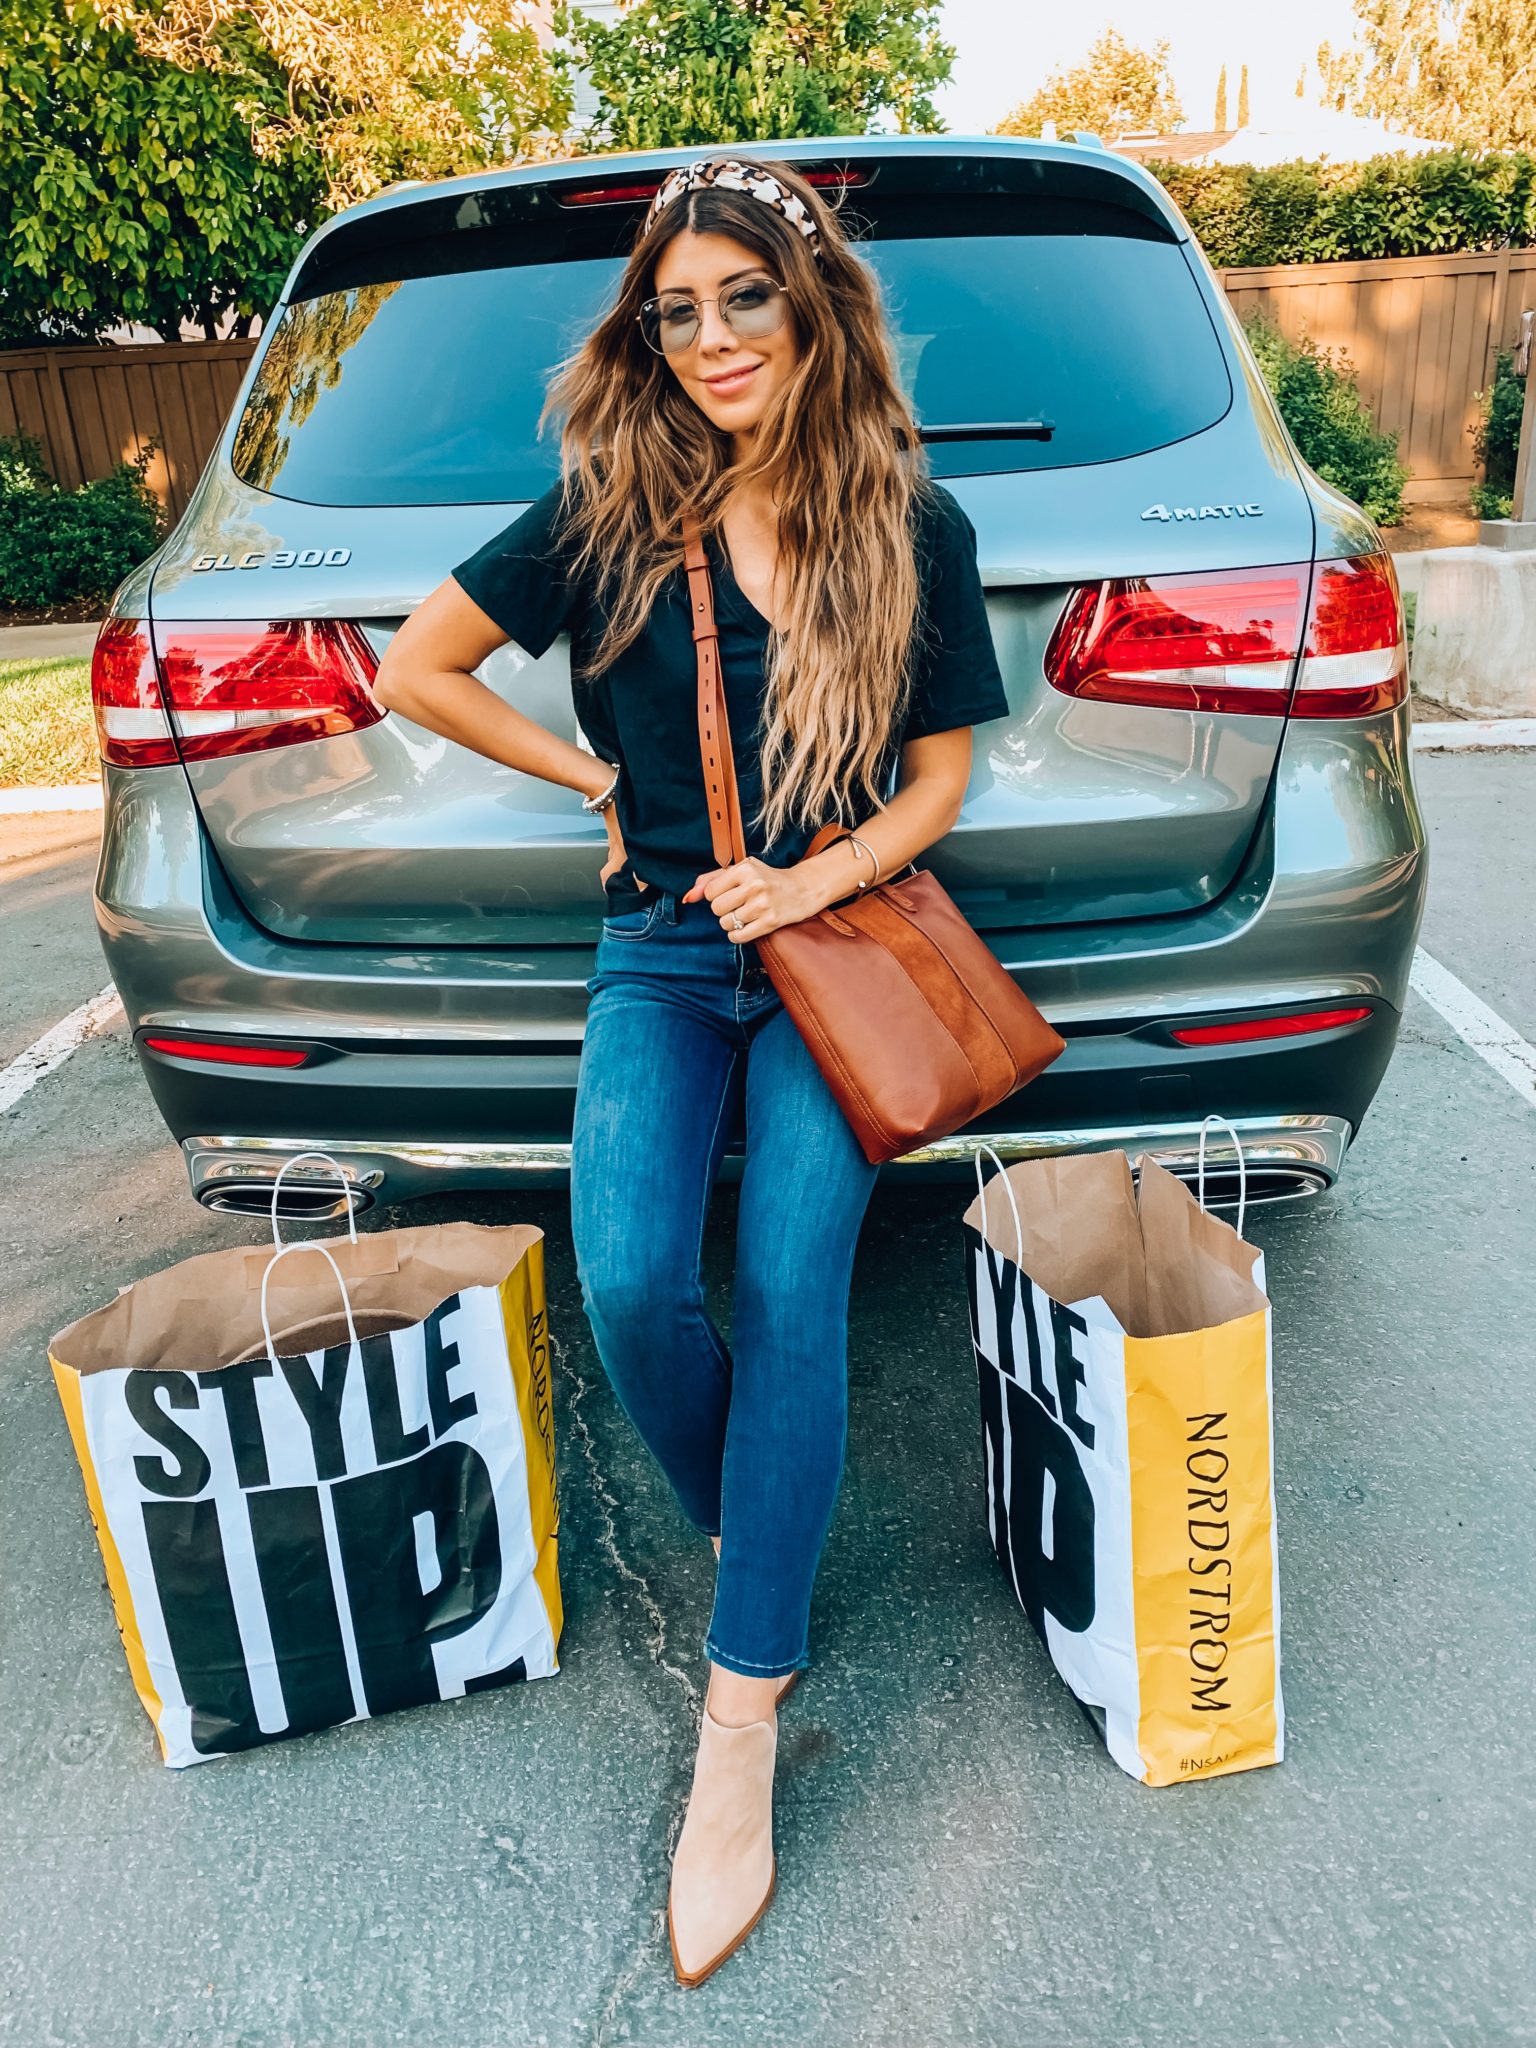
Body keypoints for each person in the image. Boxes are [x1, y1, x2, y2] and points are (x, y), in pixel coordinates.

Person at [372, 154, 1010, 1987]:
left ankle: (743, 1718)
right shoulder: (610, 509)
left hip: (840, 951)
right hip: (660, 947)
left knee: (790, 1286)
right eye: (680, 307)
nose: (714, 335)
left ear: (815, 309)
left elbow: (943, 783)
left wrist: (806, 877)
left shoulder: (909, 520)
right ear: (646, 333)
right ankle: (770, 1527)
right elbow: (419, 668)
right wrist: (597, 790)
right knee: (635, 1276)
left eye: (748, 296)